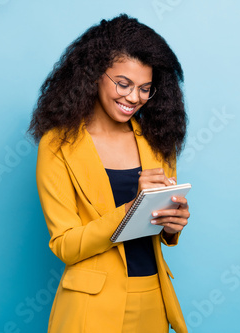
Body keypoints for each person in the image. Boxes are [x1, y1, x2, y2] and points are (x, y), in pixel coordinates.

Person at [28, 14, 190, 333]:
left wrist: (173, 224)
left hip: (152, 301)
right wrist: (132, 209)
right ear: (94, 75)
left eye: (145, 89)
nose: (133, 98)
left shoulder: (158, 139)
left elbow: (158, 225)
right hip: (91, 308)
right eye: (123, 83)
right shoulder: (58, 144)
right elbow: (65, 245)